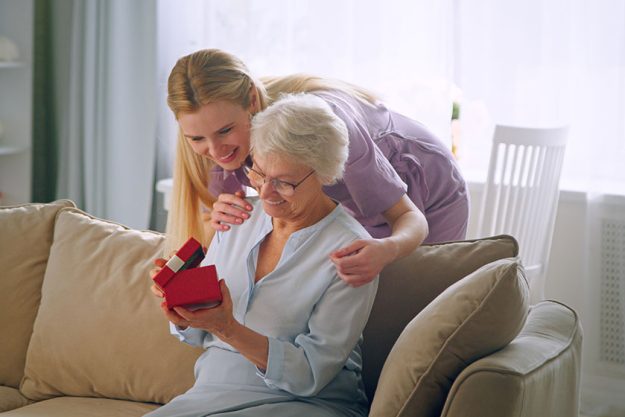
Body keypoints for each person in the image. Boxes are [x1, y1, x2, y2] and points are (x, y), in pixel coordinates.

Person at [146, 93, 378, 417]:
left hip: (306, 404)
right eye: (258, 172)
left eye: (284, 183)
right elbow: (199, 334)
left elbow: (310, 375)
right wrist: (183, 309)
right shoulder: (236, 218)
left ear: (325, 174)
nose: (265, 193)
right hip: (209, 396)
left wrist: (228, 328)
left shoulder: (351, 251)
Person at [165, 48, 469, 287]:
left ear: (252, 100)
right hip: (357, 200)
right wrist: (216, 220)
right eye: (196, 138)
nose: (216, 151)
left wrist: (387, 249)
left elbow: (408, 217)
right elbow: (219, 237)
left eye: (225, 131)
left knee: (412, 303)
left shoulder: (325, 127)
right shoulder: (224, 153)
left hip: (429, 186)